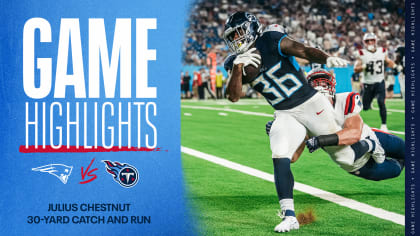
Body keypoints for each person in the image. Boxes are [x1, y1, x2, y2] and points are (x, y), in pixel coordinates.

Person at [222, 12, 348, 233]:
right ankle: (289, 215)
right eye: (233, 36)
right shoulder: (235, 61)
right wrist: (237, 68)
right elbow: (232, 96)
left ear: (251, 27)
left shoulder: (270, 39)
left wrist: (326, 59)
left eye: (240, 32)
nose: (237, 39)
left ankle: (385, 149)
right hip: (284, 112)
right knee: (280, 155)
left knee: (350, 158)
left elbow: (304, 51)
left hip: (310, 103)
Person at [267, 68, 404, 181]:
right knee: (397, 169)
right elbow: (293, 157)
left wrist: (321, 140)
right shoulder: (304, 115)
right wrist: (280, 135)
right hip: (357, 164)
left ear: (332, 86)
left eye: (324, 83)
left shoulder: (345, 99)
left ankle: (371, 145)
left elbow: (355, 134)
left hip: (372, 137)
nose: (320, 87)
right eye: (315, 84)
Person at [353, 33, 397, 132]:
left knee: (381, 102)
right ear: (364, 42)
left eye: (372, 40)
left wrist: (396, 67)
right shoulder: (361, 53)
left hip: (379, 82)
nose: (370, 42)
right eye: (367, 41)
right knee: (365, 107)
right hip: (368, 84)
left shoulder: (382, 51)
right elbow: (356, 69)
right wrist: (363, 67)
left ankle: (384, 125)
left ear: (375, 41)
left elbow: (388, 61)